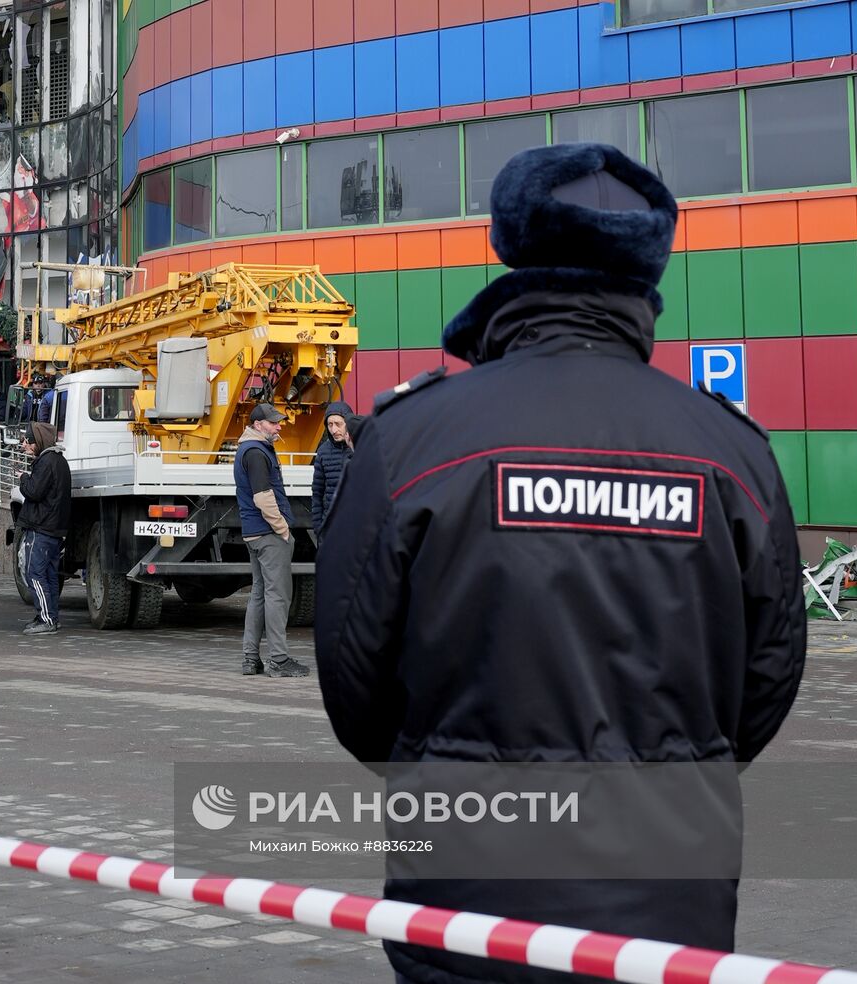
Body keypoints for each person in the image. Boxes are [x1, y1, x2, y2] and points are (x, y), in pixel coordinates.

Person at [316, 143, 806, 984]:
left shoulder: (412, 438)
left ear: (515, 247)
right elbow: (765, 682)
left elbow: (355, 680)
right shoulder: (731, 452)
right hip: (670, 902)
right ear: (645, 265)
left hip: (465, 894)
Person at [233, 404, 308, 678]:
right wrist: (282, 529)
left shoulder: (249, 449)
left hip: (254, 533)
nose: (279, 427)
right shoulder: (255, 452)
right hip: (268, 534)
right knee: (278, 596)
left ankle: (250, 659)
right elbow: (263, 496)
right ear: (258, 424)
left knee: (259, 595)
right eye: (274, 423)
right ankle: (279, 659)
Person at [17, 421, 70, 635]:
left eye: (27, 441)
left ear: (37, 442)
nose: (24, 445)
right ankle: (50, 617)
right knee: (49, 574)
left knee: (34, 573)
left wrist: (23, 478)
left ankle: (46, 619)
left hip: (42, 526)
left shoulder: (46, 462)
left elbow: (34, 492)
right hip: (54, 527)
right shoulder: (59, 460)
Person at [310, 400, 353, 534]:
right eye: (330, 425)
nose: (334, 430)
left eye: (338, 424)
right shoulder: (323, 451)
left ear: (349, 423)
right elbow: (317, 492)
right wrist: (318, 528)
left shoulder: (361, 446)